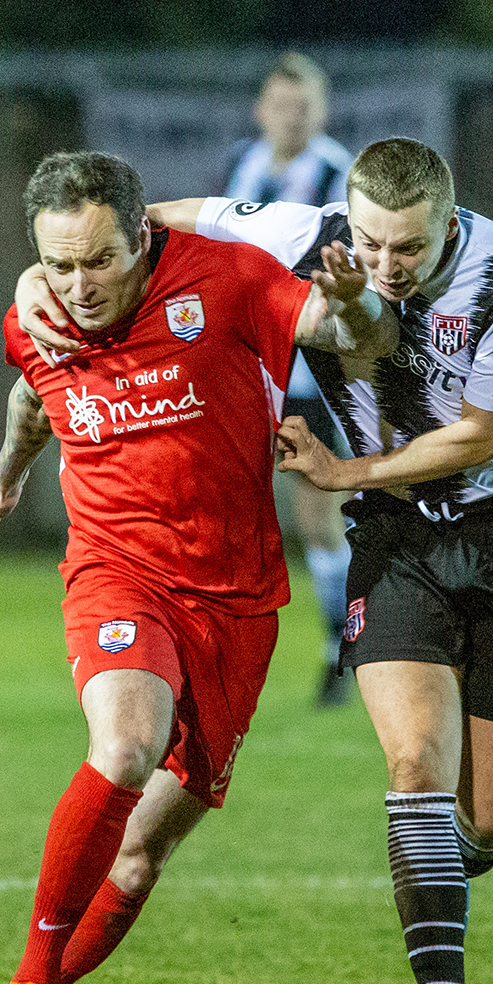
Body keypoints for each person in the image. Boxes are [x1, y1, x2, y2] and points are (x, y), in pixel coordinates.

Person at [17, 138, 493, 984]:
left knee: (480, 819)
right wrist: (38, 278)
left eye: (410, 249)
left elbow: (483, 435)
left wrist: (341, 471)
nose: (387, 267)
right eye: (370, 245)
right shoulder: (297, 235)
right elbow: (137, 226)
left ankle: (461, 851)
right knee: (412, 766)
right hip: (394, 539)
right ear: (345, 221)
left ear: (451, 223)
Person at [0, 150, 393, 984]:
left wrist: (354, 297)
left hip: (236, 599)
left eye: (98, 262)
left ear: (144, 237)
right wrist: (9, 470)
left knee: (142, 848)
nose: (79, 288)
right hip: (115, 568)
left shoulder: (229, 280)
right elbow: (30, 398)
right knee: (125, 748)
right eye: (58, 266)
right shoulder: (38, 314)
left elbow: (344, 330)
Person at [221, 52, 358, 708]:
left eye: (302, 105)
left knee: (314, 511)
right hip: (240, 362)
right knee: (220, 502)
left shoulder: (338, 173)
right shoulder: (242, 166)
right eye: (280, 104)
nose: (290, 116)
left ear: (321, 111)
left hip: (304, 366)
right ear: (261, 108)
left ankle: (341, 644)